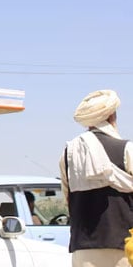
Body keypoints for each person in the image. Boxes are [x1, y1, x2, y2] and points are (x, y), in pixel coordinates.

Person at [59, 89, 133, 267]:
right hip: (124, 246)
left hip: (83, 247)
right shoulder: (126, 149)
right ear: (112, 116)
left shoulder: (70, 152)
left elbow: (68, 198)